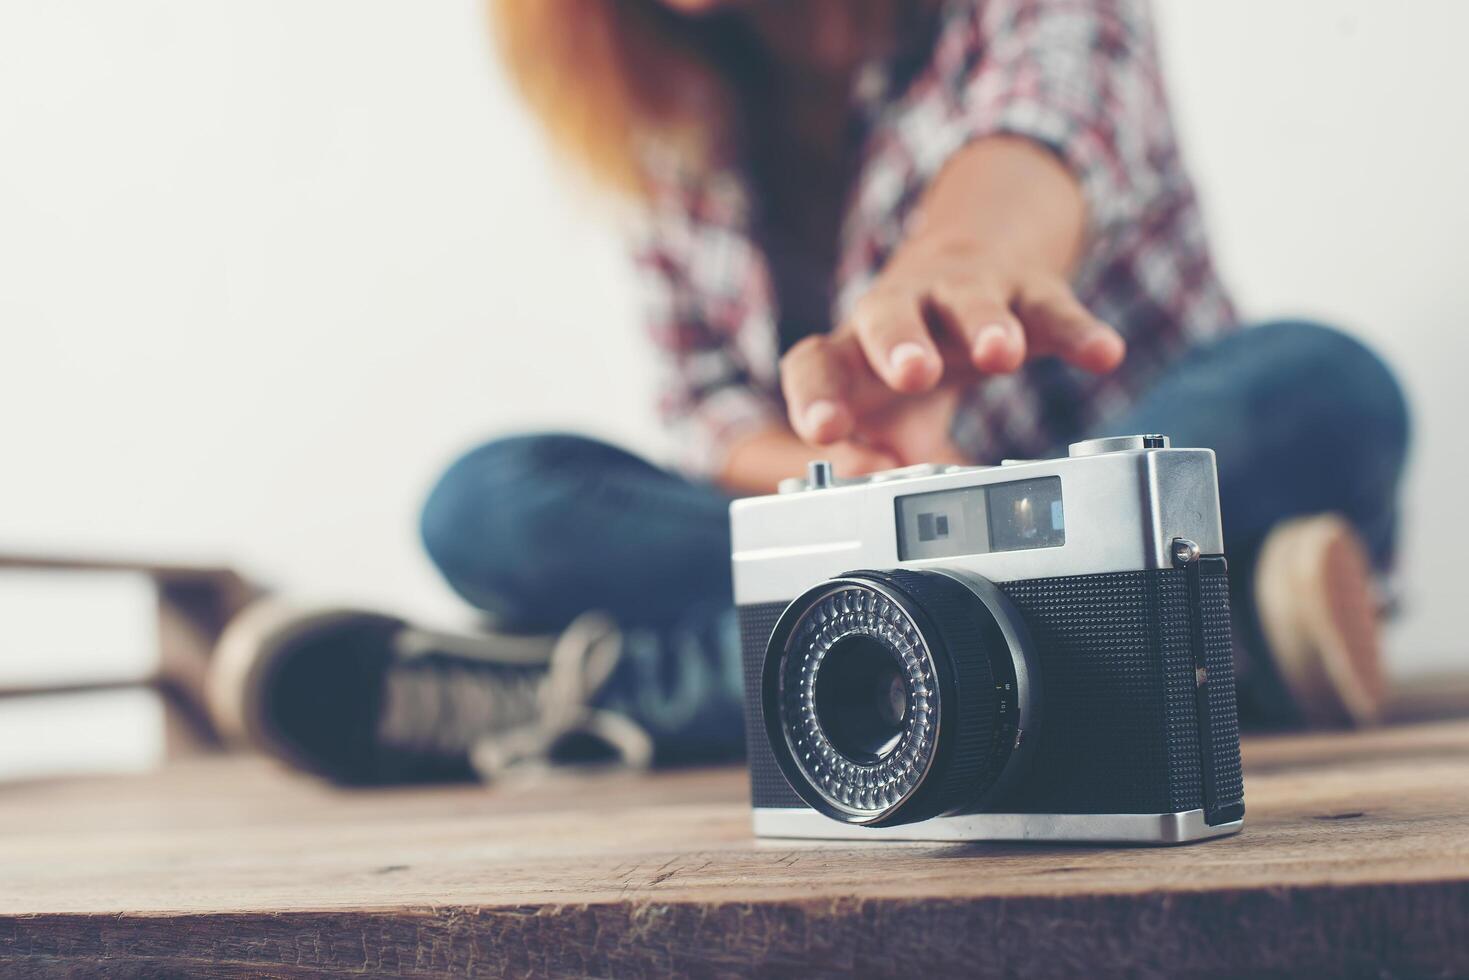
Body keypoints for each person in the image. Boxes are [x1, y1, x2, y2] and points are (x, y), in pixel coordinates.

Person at [207, 0, 1409, 785]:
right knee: (484, 498)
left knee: (1321, 384)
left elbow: (1043, 132)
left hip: (1112, 479)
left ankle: (611, 694)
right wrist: (855, 481)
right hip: (874, 522)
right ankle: (1202, 634)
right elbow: (709, 415)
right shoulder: (665, 118)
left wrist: (954, 268)